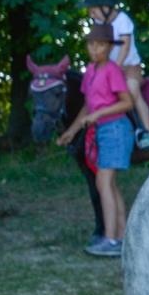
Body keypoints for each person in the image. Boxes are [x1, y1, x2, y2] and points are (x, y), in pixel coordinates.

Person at [57, 23, 135, 258]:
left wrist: (99, 114)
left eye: (100, 44)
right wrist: (71, 131)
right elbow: (87, 105)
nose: (95, 49)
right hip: (101, 131)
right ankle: (120, 236)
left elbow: (127, 102)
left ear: (109, 47)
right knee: (109, 185)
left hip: (115, 129)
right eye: (91, 44)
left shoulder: (112, 70)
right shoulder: (90, 71)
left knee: (103, 183)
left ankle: (110, 239)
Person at [81, 0, 149, 150]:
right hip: (109, 69)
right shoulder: (98, 21)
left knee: (132, 90)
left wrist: (114, 68)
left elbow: (124, 47)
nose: (90, 13)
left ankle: (147, 131)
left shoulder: (123, 21)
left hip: (129, 67)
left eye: (93, 9)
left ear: (105, 7)